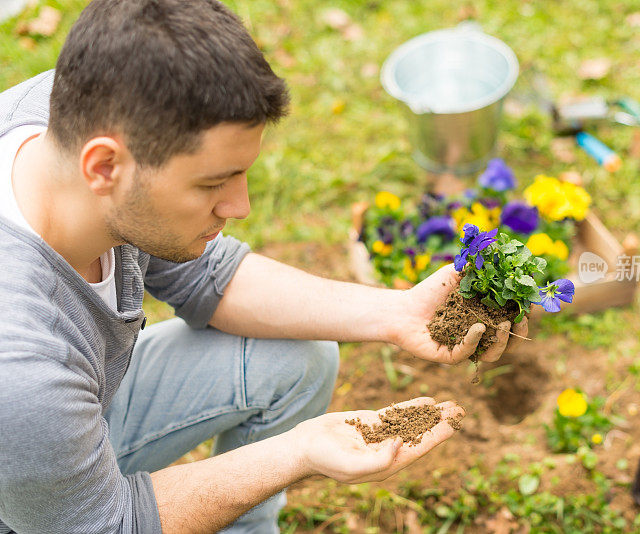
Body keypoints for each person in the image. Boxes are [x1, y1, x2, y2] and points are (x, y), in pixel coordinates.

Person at [0, 1, 528, 532]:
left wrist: (395, 313)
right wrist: (297, 452)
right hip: (34, 509)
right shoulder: (21, 365)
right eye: (211, 184)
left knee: (297, 355)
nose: (239, 207)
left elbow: (211, 278)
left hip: (55, 435)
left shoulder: (70, 112)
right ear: (104, 166)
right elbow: (105, 525)